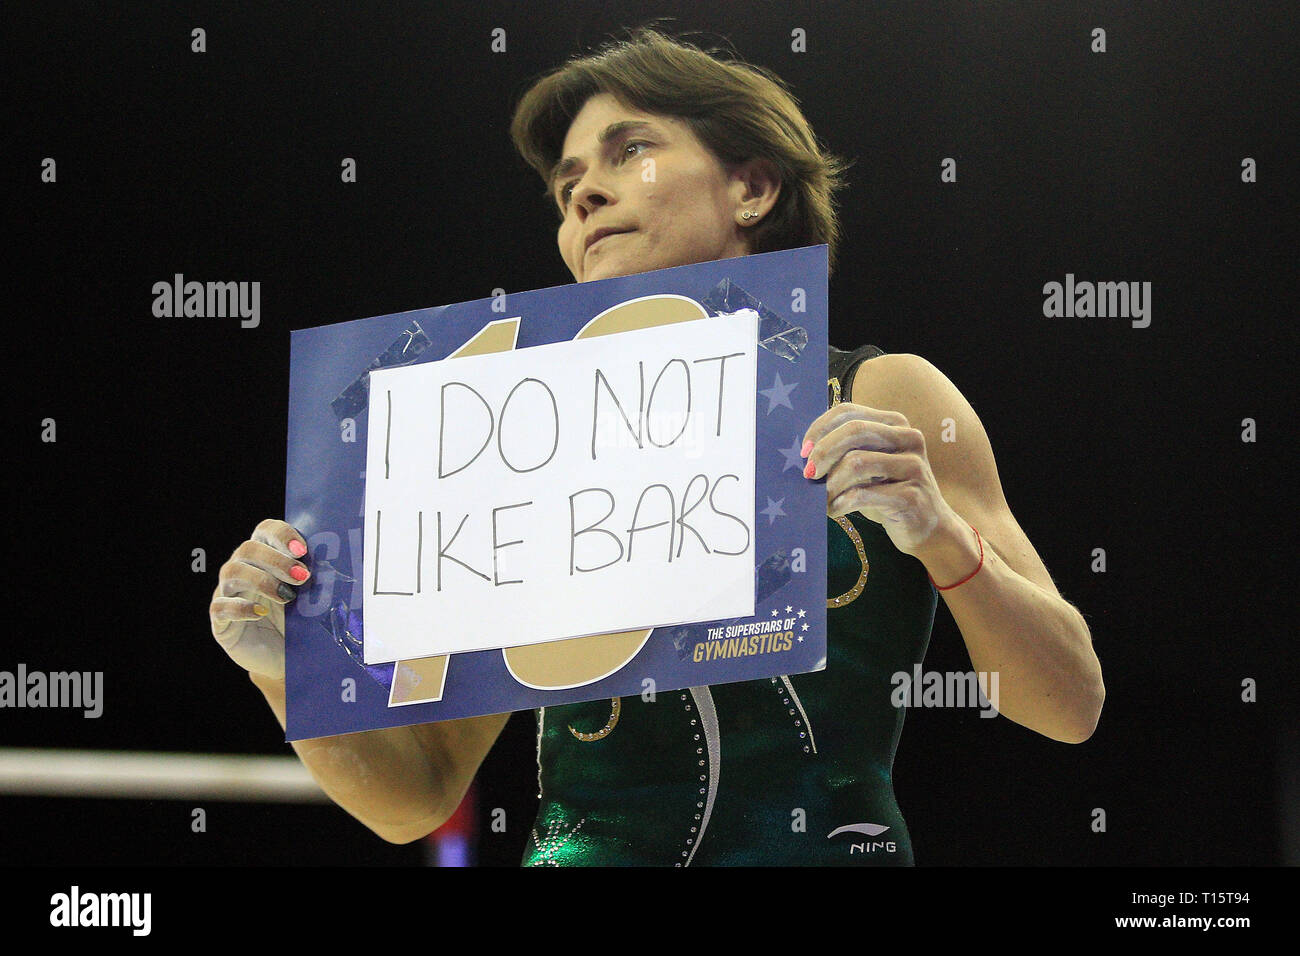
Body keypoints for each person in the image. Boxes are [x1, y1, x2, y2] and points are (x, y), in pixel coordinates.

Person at [209, 27, 1103, 865]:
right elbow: (415, 798)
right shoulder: (513, 440)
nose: (584, 195)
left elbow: (1068, 705)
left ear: (752, 188)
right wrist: (286, 675)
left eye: (629, 151)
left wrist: (940, 534)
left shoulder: (882, 395)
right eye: (566, 189)